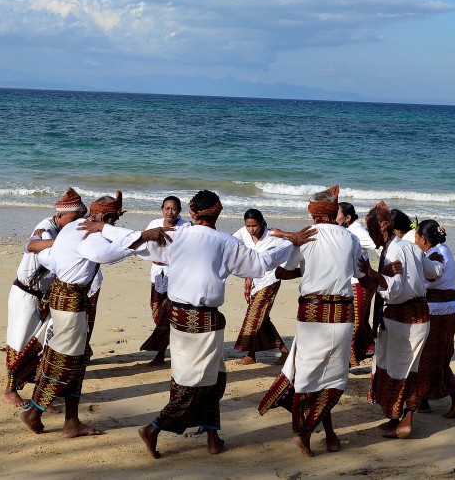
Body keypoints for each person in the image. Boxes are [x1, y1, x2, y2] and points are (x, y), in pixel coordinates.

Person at [136, 190, 309, 459]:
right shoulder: (224, 241)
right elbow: (259, 264)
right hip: (202, 319)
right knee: (196, 383)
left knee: (214, 378)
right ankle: (153, 428)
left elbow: (136, 246)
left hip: (178, 315)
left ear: (192, 212)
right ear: (218, 212)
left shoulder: (177, 235)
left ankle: (213, 439)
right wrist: (290, 243)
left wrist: (104, 227)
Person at [21, 191, 172, 438]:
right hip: (70, 301)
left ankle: (71, 422)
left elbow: (52, 255)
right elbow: (104, 255)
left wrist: (133, 236)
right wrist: (141, 238)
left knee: (77, 361)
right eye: (113, 220)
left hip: (65, 297)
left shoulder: (74, 227)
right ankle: (34, 412)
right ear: (103, 217)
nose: (113, 224)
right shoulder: (88, 233)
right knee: (66, 361)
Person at [258, 186, 366, 458]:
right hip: (341, 312)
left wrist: (305, 269)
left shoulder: (305, 235)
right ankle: (306, 432)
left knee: (309, 374)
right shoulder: (350, 238)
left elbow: (282, 272)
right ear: (334, 211)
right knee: (335, 376)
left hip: (311, 312)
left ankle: (324, 434)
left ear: (313, 213)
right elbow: (361, 273)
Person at [363, 209, 443, 439]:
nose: (370, 236)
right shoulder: (411, 247)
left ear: (383, 231)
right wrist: (438, 262)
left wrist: (376, 275)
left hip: (400, 316)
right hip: (420, 314)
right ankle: (395, 417)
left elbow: (394, 289)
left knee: (397, 370)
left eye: (372, 231)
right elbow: (434, 272)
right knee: (404, 368)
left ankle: (405, 420)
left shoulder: (394, 250)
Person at [4, 188, 86, 407]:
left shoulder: (68, 229)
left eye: (78, 218)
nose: (76, 223)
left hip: (47, 297)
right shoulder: (46, 227)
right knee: (19, 342)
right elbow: (32, 245)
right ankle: (10, 390)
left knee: (44, 345)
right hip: (26, 294)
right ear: (60, 216)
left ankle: (40, 393)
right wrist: (61, 244)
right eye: (73, 219)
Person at [415, 219, 455, 419]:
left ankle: (454, 398)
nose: (415, 239)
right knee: (438, 355)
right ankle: (423, 400)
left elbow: (432, 275)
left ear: (424, 240)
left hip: (437, 310)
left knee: (429, 357)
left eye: (417, 236)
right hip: (451, 308)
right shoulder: (444, 250)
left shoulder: (435, 255)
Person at [232, 209, 291, 366]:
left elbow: (292, 245)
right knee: (261, 317)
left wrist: (281, 268)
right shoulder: (243, 233)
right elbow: (229, 242)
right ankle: (285, 351)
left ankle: (251, 354)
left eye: (254, 226)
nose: (251, 229)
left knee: (254, 316)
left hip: (269, 280)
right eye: (248, 226)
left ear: (262, 223)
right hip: (251, 280)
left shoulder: (273, 235)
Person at [140, 196, 190, 366]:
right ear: (162, 209)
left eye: (174, 209)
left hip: (178, 274)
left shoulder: (186, 227)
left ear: (179, 211)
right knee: (156, 311)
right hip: (157, 272)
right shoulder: (154, 224)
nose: (170, 212)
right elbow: (141, 237)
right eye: (167, 208)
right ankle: (168, 348)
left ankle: (162, 354)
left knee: (171, 313)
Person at [336, 202, 377, 366]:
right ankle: (371, 351)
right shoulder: (345, 230)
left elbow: (378, 245)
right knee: (361, 321)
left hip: (360, 283)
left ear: (347, 217)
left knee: (356, 323)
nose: (334, 217)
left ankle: (351, 359)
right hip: (352, 282)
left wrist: (377, 269)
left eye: (337, 214)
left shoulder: (358, 232)